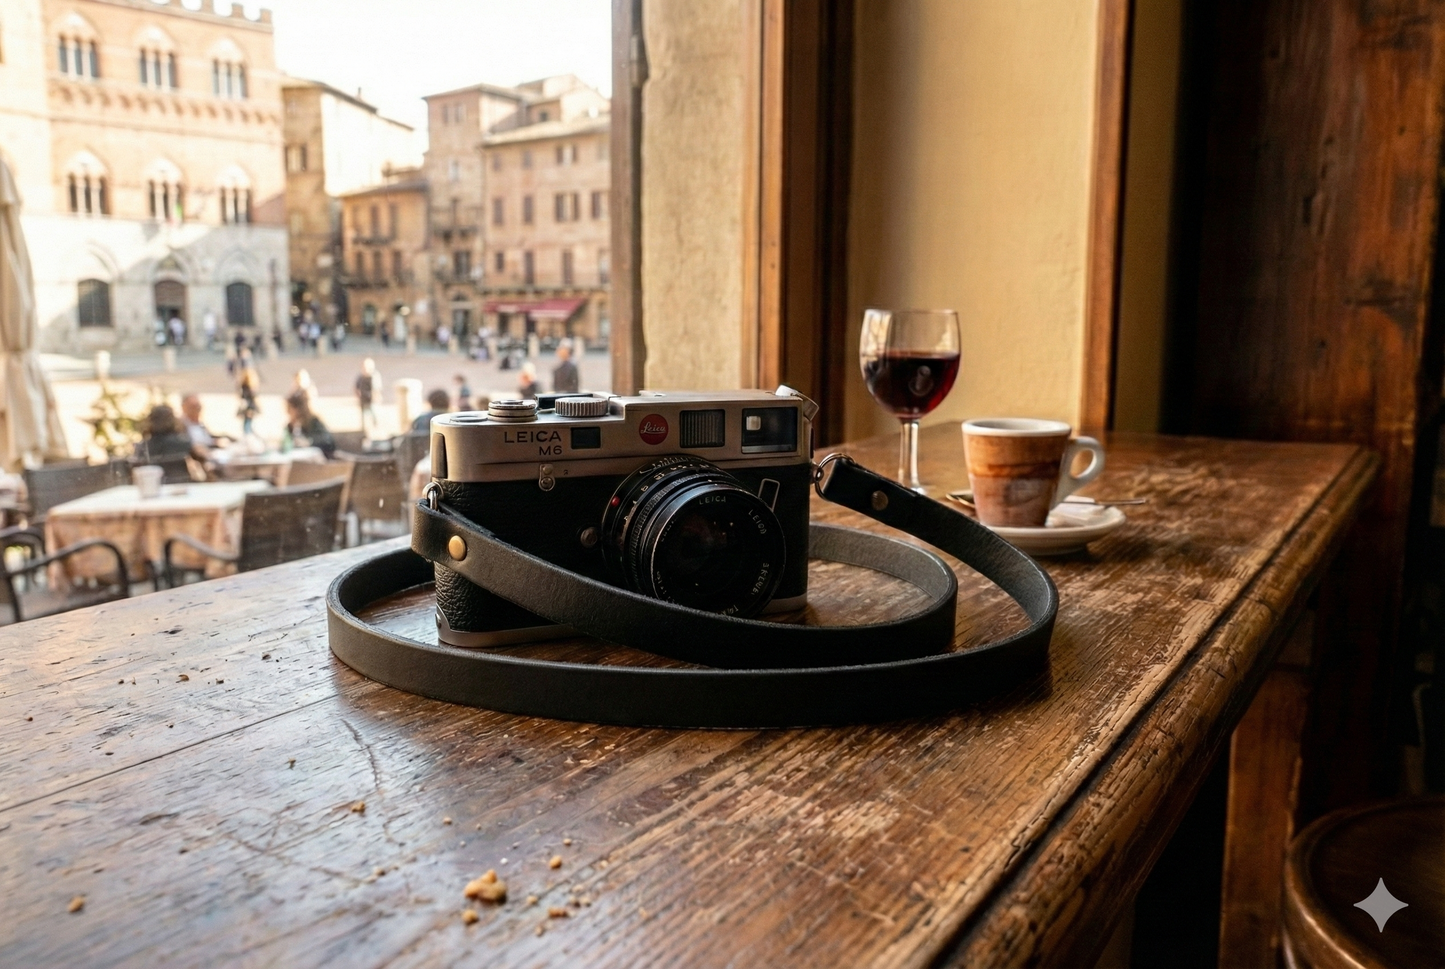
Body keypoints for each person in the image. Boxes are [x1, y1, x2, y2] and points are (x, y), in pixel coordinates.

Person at [284, 391, 336, 458]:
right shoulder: (290, 426)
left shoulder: (313, 422)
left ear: (297, 409)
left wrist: (309, 442)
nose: (287, 412)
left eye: (289, 408)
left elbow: (327, 440)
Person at [356, 358, 380, 432]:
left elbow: (376, 389)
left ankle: (375, 423)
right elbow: (356, 387)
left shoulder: (374, 377)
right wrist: (357, 395)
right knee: (363, 413)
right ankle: (363, 427)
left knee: (373, 412)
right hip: (363, 398)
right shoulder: (360, 377)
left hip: (371, 399)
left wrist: (376, 397)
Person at [237, 366, 260, 437]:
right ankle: (248, 434)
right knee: (248, 422)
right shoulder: (248, 387)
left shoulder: (244, 387)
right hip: (249, 406)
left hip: (247, 406)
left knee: (247, 422)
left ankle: (248, 434)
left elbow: (243, 397)